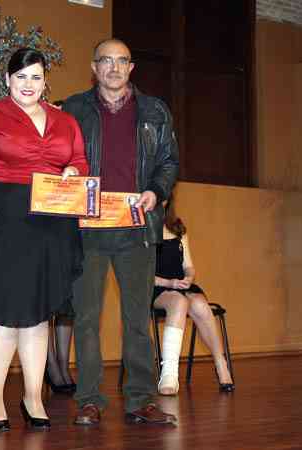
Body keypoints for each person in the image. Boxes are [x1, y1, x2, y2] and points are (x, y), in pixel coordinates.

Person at [0, 47, 89, 432]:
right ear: (7, 80)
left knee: (38, 315)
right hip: (2, 223)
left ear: (46, 81)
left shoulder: (65, 120)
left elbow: (80, 161)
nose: (28, 84)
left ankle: (33, 397)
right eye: (21, 77)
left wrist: (72, 171)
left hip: (51, 226)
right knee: (3, 315)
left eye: (36, 77)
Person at [63, 39, 179, 426]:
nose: (113, 68)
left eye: (121, 61)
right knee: (86, 319)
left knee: (137, 319)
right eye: (106, 61)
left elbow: (168, 161)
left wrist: (156, 191)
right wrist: (67, 173)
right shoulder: (73, 108)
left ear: (131, 68)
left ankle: (141, 400)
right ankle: (89, 400)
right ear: (94, 67)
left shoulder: (155, 110)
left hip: (137, 228)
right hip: (87, 229)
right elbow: (58, 156)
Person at [153, 195, 234, 395]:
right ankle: (169, 373)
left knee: (199, 303)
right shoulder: (141, 229)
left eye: (164, 196)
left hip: (180, 286)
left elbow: (188, 266)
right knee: (179, 301)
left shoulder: (178, 229)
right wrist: (168, 283)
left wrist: (189, 277)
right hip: (155, 287)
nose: (160, 200)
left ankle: (220, 363)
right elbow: (139, 274)